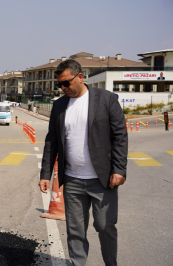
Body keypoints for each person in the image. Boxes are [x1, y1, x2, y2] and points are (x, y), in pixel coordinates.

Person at [39, 59, 127, 266]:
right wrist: (45, 174)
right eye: (59, 84)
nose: (63, 88)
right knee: (75, 230)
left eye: (66, 83)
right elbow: (51, 141)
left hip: (103, 179)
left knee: (105, 226)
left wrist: (119, 169)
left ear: (80, 77)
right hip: (72, 180)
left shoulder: (106, 99)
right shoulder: (59, 105)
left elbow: (120, 136)